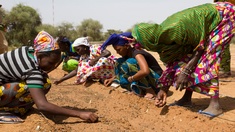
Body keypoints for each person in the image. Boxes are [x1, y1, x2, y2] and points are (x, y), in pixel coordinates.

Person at [131, 2, 235, 117]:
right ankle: (186, 98)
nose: (139, 47)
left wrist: (186, 71)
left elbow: (200, 48)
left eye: (140, 43)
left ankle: (215, 105)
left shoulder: (176, 29)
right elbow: (174, 62)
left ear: (149, 39)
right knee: (184, 60)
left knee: (209, 57)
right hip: (207, 22)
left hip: (224, 15)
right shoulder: (164, 39)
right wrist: (163, 89)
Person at [0, 31, 98, 123]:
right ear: (39, 57)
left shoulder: (28, 50)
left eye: (55, 64)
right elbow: (42, 105)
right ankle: (5, 112)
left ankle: (16, 107)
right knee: (25, 87)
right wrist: (80, 114)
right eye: (51, 63)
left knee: (44, 82)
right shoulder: (31, 69)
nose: (53, 67)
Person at [101, 32, 163, 99]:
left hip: (159, 82)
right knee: (119, 62)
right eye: (116, 50)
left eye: (119, 50)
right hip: (149, 79)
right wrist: (112, 79)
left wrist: (132, 78)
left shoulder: (137, 53)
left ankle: (150, 91)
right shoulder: (127, 55)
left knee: (130, 62)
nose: (117, 52)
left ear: (127, 46)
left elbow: (145, 71)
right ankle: (138, 90)